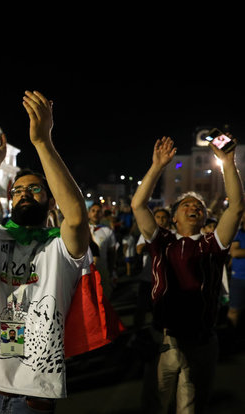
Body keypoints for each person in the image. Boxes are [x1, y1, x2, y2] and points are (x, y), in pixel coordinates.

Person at [0, 91, 90, 413]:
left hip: (33, 394)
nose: (24, 194)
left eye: (34, 189)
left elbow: (77, 217)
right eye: (17, 191)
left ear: (50, 201)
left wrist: (43, 142)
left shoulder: (61, 245)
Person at [131, 136, 244, 413]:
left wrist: (228, 163)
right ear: (174, 217)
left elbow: (237, 208)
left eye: (199, 207)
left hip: (202, 344)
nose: (193, 207)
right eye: (186, 205)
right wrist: (157, 166)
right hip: (164, 342)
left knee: (191, 408)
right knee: (153, 405)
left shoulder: (213, 244)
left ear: (205, 218)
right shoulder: (162, 240)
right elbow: (138, 205)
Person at [88, 202, 118, 299]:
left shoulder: (107, 231)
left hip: (101, 270)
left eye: (98, 211)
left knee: (103, 300)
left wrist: (111, 270)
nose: (96, 213)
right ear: (88, 213)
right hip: (83, 272)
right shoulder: (81, 229)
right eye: (93, 211)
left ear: (102, 214)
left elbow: (112, 253)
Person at [227, 212, 245, 339]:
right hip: (239, 278)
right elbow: (235, 252)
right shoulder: (238, 233)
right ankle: (231, 337)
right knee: (234, 310)